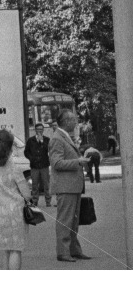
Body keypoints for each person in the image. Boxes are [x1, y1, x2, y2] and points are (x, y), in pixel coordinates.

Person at [49, 109, 91, 262]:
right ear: (65, 122)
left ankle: (73, 250)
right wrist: (78, 162)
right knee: (65, 220)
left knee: (73, 220)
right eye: (73, 120)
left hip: (72, 186)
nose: (75, 123)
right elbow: (56, 163)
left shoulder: (65, 137)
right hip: (65, 187)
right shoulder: (57, 139)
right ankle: (63, 252)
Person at [0, 129, 31, 270]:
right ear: (10, 146)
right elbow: (27, 194)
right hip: (15, 214)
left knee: (6, 250)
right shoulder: (14, 167)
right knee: (15, 250)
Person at [25, 123, 52, 206]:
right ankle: (35, 200)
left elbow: (49, 149)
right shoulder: (30, 140)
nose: (39, 131)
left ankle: (48, 201)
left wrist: (42, 141)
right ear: (35, 130)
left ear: (43, 130)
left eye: (41, 129)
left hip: (44, 165)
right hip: (34, 166)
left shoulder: (47, 139)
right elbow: (26, 152)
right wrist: (31, 158)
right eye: (38, 129)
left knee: (46, 184)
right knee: (34, 184)